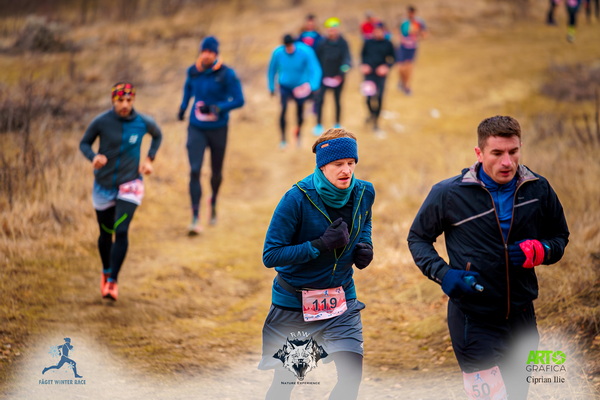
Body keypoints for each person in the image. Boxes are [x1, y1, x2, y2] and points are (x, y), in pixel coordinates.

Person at [407, 116, 569, 400]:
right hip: (473, 319)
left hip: (522, 317)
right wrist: (444, 274)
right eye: (497, 153)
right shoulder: (449, 193)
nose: (507, 162)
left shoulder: (538, 189)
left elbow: (559, 236)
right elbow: (418, 238)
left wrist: (542, 250)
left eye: (513, 151)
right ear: (479, 153)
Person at [258, 128, 375, 400]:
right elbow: (271, 255)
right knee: (285, 384)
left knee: (351, 377)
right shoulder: (296, 198)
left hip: (341, 300)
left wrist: (365, 245)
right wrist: (319, 245)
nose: (346, 170)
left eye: (351, 163)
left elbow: (366, 220)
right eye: (338, 164)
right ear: (322, 166)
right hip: (296, 304)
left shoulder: (364, 192)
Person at [80, 82, 162, 301]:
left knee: (122, 230)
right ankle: (106, 271)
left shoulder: (142, 122)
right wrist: (93, 157)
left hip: (130, 184)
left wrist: (149, 159)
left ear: (133, 100)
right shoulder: (101, 121)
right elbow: (84, 143)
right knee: (106, 232)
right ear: (113, 100)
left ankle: (113, 282)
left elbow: (157, 135)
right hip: (104, 185)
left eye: (129, 100)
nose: (125, 105)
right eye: (120, 100)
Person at [178, 36, 245, 234]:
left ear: (216, 54)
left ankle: (213, 201)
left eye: (210, 52)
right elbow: (188, 90)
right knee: (195, 170)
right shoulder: (193, 71)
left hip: (218, 128)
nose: (206, 55)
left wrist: (217, 108)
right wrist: (182, 108)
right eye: (204, 51)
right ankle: (195, 217)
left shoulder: (226, 74)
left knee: (216, 172)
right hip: (196, 127)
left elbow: (239, 100)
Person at [268, 33, 322, 149]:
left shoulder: (305, 51)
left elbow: (315, 68)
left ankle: (298, 134)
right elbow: (272, 70)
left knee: (299, 113)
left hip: (300, 86)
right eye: (287, 47)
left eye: (291, 46)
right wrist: (271, 87)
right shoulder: (278, 53)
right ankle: (283, 139)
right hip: (285, 85)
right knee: (283, 110)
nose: (289, 49)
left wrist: (314, 86)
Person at [313, 17, 352, 136]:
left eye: (334, 29)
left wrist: (341, 74)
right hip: (323, 78)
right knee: (320, 101)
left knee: (337, 100)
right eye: (330, 30)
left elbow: (347, 60)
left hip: (338, 78)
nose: (332, 32)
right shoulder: (321, 43)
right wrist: (319, 76)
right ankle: (318, 124)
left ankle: (337, 123)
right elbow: (316, 60)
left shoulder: (343, 43)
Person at [360, 22, 395, 135]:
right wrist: (364, 65)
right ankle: (372, 114)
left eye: (380, 31)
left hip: (380, 75)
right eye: (376, 31)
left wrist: (386, 67)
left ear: (383, 32)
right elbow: (362, 55)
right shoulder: (368, 42)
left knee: (379, 97)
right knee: (368, 98)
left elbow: (393, 58)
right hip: (369, 75)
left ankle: (376, 122)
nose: (378, 33)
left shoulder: (388, 43)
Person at [396, 5, 427, 95]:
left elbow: (424, 35)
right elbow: (397, 32)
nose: (411, 14)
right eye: (409, 12)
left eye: (412, 13)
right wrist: (400, 38)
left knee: (408, 67)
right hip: (402, 46)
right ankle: (402, 81)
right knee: (400, 68)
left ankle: (406, 87)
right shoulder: (403, 21)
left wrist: (418, 34)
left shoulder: (419, 22)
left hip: (412, 47)